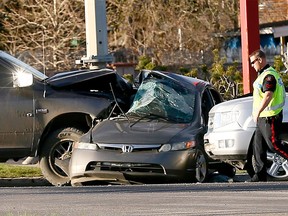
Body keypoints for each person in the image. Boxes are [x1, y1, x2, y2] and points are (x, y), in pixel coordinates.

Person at [249, 49, 287, 182]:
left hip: (269, 116)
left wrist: (258, 111)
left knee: (273, 145)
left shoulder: (269, 76)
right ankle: (259, 175)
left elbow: (268, 95)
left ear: (260, 60)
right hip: (262, 117)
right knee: (258, 147)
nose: (252, 65)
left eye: (253, 62)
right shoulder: (263, 75)